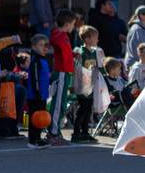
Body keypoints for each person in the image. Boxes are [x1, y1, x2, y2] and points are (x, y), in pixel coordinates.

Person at [47, 10, 76, 146]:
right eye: (73, 24)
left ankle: (56, 131)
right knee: (58, 104)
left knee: (61, 103)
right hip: (61, 72)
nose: (73, 27)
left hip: (63, 72)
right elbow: (58, 46)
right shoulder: (60, 35)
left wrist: (72, 55)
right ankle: (53, 133)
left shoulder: (61, 35)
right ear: (67, 23)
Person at [72, 25, 105, 143]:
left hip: (91, 85)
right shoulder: (81, 52)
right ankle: (76, 133)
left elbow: (98, 67)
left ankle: (85, 133)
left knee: (88, 110)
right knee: (82, 109)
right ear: (87, 39)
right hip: (83, 86)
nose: (97, 40)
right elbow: (78, 69)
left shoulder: (94, 52)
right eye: (95, 38)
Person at [26, 34, 51, 149]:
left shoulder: (44, 60)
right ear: (34, 47)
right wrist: (37, 94)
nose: (44, 47)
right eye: (41, 45)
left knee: (41, 118)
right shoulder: (35, 61)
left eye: (45, 45)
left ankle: (38, 138)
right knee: (35, 118)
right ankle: (32, 140)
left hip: (43, 95)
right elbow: (35, 79)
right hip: (35, 96)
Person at [125, 5, 145, 70]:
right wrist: (142, 63)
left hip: (144, 65)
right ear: (141, 16)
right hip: (137, 66)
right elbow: (135, 50)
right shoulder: (137, 29)